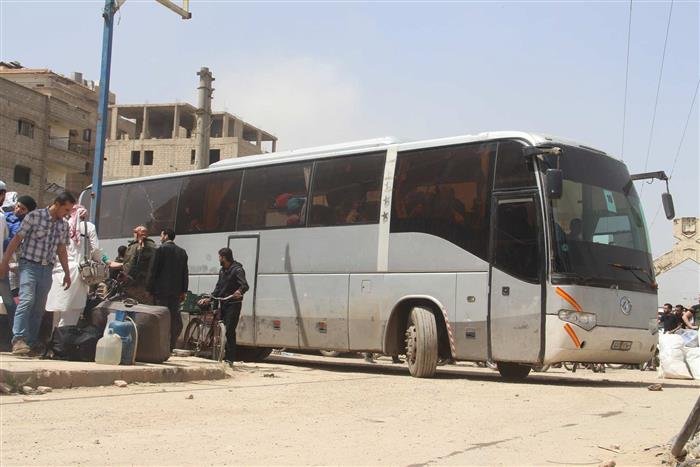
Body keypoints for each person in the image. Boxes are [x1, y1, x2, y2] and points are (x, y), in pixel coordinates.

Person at [0, 192, 75, 355]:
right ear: (57, 204)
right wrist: (4, 262)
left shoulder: (63, 225)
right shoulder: (34, 216)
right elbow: (16, 240)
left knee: (39, 307)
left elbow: (61, 250)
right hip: (29, 266)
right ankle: (18, 339)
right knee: (27, 300)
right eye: (66, 209)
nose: (68, 213)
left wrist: (67, 273)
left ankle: (30, 342)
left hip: (47, 269)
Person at [45, 205, 98, 327]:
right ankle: (64, 337)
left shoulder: (61, 225)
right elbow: (95, 249)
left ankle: (55, 337)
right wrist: (100, 261)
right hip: (77, 273)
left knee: (57, 311)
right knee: (72, 312)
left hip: (58, 272)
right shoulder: (89, 227)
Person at [198, 247, 248, 365]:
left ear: (224, 257)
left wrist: (239, 291)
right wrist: (210, 298)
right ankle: (216, 352)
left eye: (220, 257)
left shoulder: (238, 270)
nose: (219, 259)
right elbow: (218, 288)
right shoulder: (222, 271)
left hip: (234, 304)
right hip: (223, 303)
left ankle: (229, 359)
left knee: (229, 330)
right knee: (221, 327)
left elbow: (245, 285)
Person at [147, 228, 189, 350]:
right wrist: (183, 291)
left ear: (165, 236)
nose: (160, 238)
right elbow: (185, 273)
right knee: (173, 318)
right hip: (175, 292)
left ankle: (158, 346)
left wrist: (149, 289)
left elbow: (153, 270)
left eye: (161, 235)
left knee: (160, 317)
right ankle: (171, 346)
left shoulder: (160, 250)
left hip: (160, 292)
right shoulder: (182, 252)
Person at [111, 225, 156, 305]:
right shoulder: (153, 246)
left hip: (135, 286)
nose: (134, 234)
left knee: (134, 307)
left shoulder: (139, 246)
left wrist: (125, 278)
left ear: (138, 234)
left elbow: (131, 265)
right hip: (145, 286)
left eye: (135, 232)